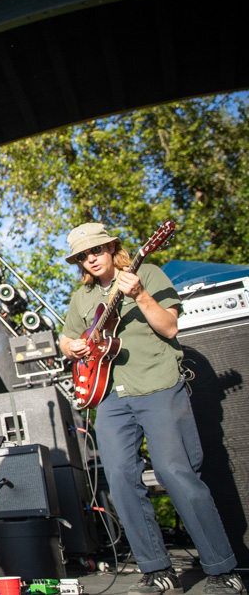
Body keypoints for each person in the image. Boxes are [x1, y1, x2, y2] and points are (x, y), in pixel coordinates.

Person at [58, 223, 243, 595]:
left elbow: (170, 327)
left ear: (112, 248)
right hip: (108, 396)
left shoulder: (147, 274)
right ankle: (155, 570)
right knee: (121, 481)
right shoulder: (83, 297)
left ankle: (224, 571)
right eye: (82, 256)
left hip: (157, 386)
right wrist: (72, 348)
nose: (90, 259)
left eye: (95, 251)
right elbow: (66, 338)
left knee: (177, 474)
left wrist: (140, 294)